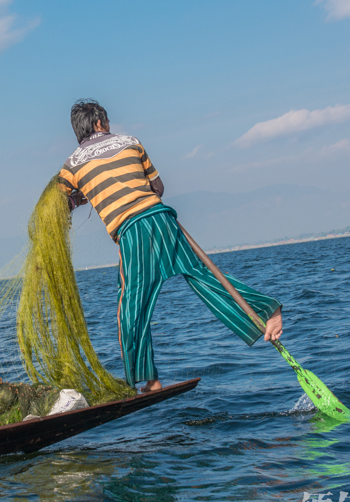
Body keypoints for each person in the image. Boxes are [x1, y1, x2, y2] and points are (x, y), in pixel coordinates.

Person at [57, 99, 283, 393]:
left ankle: (148, 380)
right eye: (107, 122)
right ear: (100, 123)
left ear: (81, 130)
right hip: (162, 220)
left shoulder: (71, 165)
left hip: (132, 231)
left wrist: (80, 197)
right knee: (204, 277)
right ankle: (267, 309)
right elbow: (158, 188)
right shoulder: (131, 142)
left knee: (131, 305)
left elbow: (60, 205)